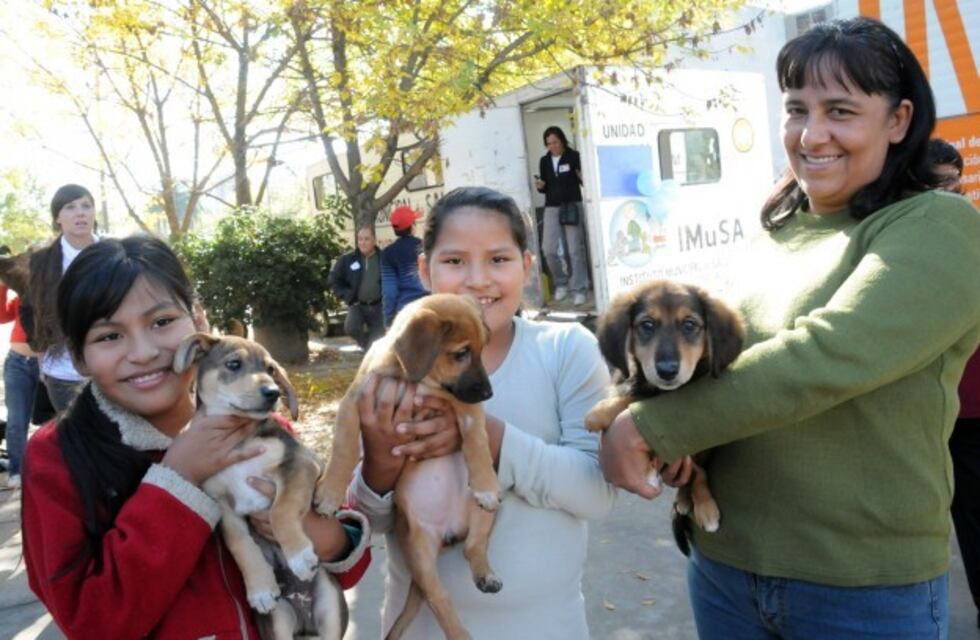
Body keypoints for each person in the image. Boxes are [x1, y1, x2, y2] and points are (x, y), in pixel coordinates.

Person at [598, 17, 980, 639]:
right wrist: (683, 448)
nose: (812, 133)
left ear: (900, 120)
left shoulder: (938, 225)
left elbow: (825, 357)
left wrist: (652, 426)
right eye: (797, 109)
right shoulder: (773, 233)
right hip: (725, 569)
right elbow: (719, 375)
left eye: (841, 110)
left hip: (862, 591)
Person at [21, 236, 371, 639]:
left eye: (162, 322)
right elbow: (90, 622)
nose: (144, 351)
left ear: (198, 323)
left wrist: (309, 529)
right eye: (109, 336)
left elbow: (348, 563)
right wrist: (178, 477)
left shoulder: (255, 421)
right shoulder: (56, 459)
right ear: (78, 356)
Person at [347, 187, 617, 638]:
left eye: (499, 259)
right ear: (423, 270)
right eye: (454, 261)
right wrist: (380, 463)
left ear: (527, 267)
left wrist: (487, 438)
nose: (478, 279)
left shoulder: (566, 349)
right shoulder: (392, 357)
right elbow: (367, 521)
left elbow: (596, 494)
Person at [929, 137, 980, 626]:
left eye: (955, 180)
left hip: (970, 410)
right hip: (936, 409)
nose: (952, 189)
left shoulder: (969, 230)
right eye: (941, 181)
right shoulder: (911, 237)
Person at [24, 184, 99, 412]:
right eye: (71, 207)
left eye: (86, 206)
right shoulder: (42, 260)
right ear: (58, 217)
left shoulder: (114, 251)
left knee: (117, 441)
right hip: (63, 373)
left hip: (112, 368)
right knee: (75, 443)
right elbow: (29, 309)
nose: (80, 213)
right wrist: (39, 353)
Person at [534, 126, 589, 306]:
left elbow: (584, 181)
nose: (552, 146)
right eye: (549, 144)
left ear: (562, 140)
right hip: (551, 206)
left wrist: (582, 176)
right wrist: (540, 186)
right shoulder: (544, 160)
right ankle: (561, 283)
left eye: (555, 142)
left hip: (572, 204)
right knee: (548, 249)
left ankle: (579, 288)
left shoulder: (574, 156)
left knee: (575, 249)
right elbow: (544, 187)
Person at [1, 282, 39, 490]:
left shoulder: (55, 291)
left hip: (49, 364)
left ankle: (57, 466)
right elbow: (2, 316)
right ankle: (16, 469)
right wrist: (3, 286)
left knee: (56, 419)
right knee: (16, 420)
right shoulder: (22, 295)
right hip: (17, 362)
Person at [328, 227, 384, 350]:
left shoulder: (383, 258)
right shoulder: (347, 259)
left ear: (374, 240)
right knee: (351, 327)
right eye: (360, 239)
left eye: (366, 239)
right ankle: (366, 345)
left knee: (376, 342)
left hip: (379, 306)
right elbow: (334, 280)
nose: (362, 243)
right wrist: (347, 295)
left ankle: (370, 349)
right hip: (358, 305)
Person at [380, 205, 427, 327]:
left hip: (405, 313)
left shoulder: (387, 254)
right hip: (430, 307)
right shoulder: (426, 247)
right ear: (412, 226)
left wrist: (388, 320)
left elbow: (389, 291)